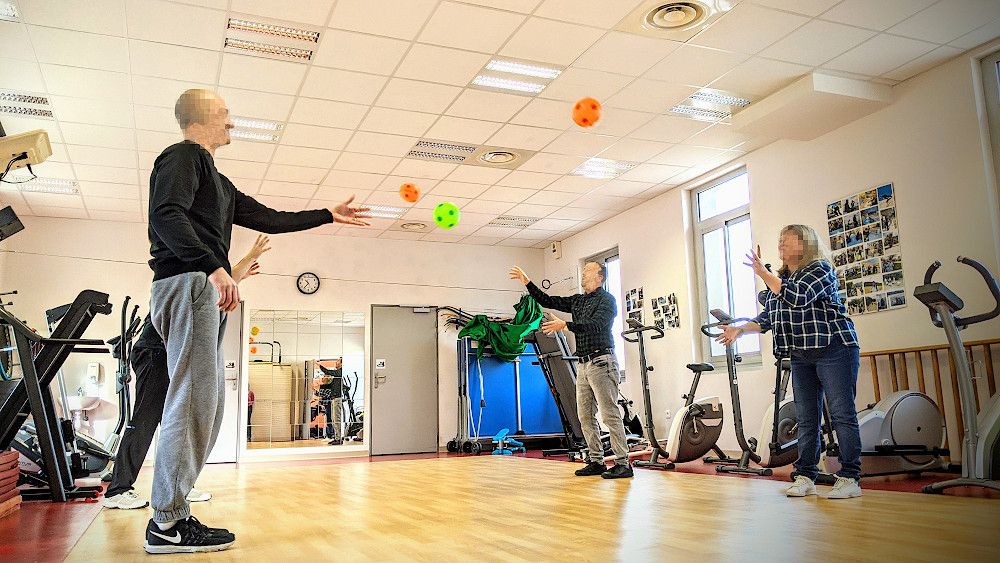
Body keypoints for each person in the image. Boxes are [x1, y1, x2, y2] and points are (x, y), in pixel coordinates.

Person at [143, 88, 371, 554]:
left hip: (200, 286)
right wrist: (214, 267)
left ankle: (174, 513)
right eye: (224, 113)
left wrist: (327, 214)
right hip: (187, 282)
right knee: (192, 400)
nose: (231, 121)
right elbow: (165, 214)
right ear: (199, 118)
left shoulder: (219, 182)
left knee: (206, 404)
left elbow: (270, 218)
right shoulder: (183, 156)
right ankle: (165, 524)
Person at [102, 235, 270, 511]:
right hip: (155, 351)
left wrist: (249, 259)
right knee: (145, 419)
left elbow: (226, 280)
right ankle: (117, 490)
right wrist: (249, 256)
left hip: (171, 352)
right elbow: (223, 276)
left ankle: (179, 486)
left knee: (180, 421)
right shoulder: (186, 278)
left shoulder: (205, 284)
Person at [716, 224, 863, 500]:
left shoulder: (820, 269)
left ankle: (850, 478)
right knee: (806, 418)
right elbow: (768, 318)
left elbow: (799, 296)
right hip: (801, 354)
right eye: (780, 239)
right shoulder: (781, 279)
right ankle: (806, 476)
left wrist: (763, 273)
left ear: (805, 244)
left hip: (834, 348)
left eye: (788, 239)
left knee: (842, 415)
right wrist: (740, 329)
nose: (781, 243)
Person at [508, 263, 631, 479]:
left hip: (602, 362)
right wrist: (527, 282)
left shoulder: (607, 301)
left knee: (609, 414)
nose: (583, 274)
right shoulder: (578, 300)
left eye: (587, 271)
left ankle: (623, 463)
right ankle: (596, 461)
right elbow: (548, 300)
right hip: (583, 364)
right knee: (584, 416)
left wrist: (564, 325)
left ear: (600, 277)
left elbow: (595, 325)